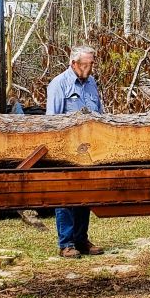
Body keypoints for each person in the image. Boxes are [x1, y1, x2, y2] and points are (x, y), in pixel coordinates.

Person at [45, 45, 105, 259]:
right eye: (84, 65)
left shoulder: (91, 83)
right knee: (65, 197)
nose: (88, 69)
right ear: (73, 64)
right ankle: (66, 243)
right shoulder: (58, 84)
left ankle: (81, 239)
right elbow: (52, 121)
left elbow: (100, 113)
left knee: (84, 196)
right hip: (66, 152)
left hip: (89, 152)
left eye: (91, 64)